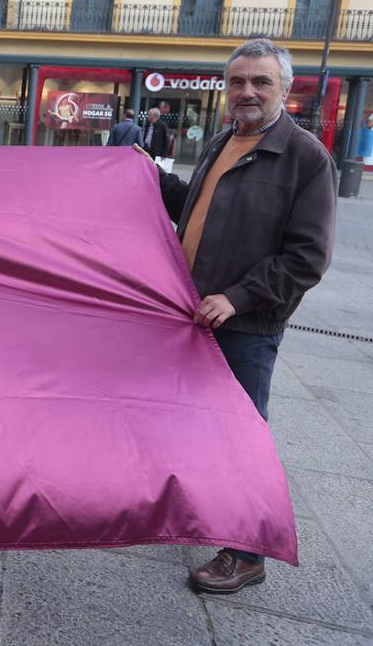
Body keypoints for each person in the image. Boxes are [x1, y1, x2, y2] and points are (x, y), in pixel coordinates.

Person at [152, 39, 336, 595]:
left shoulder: (306, 157)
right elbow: (195, 211)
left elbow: (307, 256)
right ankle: (206, 517)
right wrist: (148, 176)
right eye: (238, 82)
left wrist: (239, 296)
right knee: (200, 429)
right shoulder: (223, 141)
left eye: (261, 82)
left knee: (242, 436)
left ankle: (247, 554)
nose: (247, 92)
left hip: (245, 325)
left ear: (286, 88)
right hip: (194, 315)